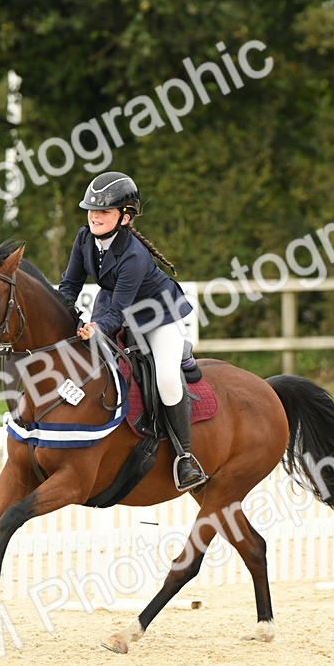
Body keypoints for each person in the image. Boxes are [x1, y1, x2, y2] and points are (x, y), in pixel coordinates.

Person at [57, 171, 207, 492]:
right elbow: (69, 285)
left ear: (124, 218)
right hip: (114, 302)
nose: (95, 217)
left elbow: (119, 313)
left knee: (166, 379)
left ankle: (185, 457)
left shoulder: (134, 255)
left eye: (104, 212)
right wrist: (62, 314)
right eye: (91, 210)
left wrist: (96, 328)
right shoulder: (84, 239)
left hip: (156, 313)